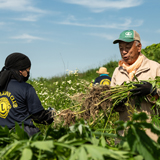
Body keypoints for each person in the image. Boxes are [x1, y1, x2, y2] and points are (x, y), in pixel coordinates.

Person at [111, 29, 160, 142]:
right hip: (124, 135)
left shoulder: (155, 68)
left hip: (150, 136)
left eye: (127, 47)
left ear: (139, 47)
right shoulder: (117, 72)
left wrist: (153, 91)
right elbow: (111, 107)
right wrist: (116, 102)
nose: (124, 52)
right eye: (121, 48)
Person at [0, 52, 54, 137]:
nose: (28, 74)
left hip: (3, 135)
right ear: (20, 71)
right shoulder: (26, 88)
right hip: (23, 135)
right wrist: (52, 114)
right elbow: (38, 117)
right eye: (28, 70)